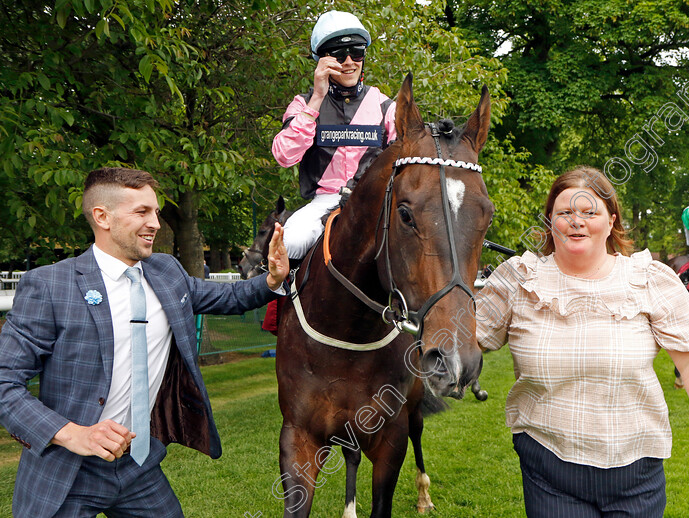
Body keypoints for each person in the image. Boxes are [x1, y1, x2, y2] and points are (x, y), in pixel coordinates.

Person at [0, 167, 289, 517]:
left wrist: (273, 278)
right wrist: (72, 434)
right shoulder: (50, 286)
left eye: (154, 211)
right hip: (67, 469)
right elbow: (5, 384)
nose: (155, 222)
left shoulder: (167, 272)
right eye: (141, 212)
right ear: (102, 217)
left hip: (139, 466)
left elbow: (229, 297)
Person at [475, 166, 689, 516]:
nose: (576, 221)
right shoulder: (518, 280)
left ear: (612, 220)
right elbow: (460, 341)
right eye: (565, 212)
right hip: (547, 468)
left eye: (589, 212)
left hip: (636, 475)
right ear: (549, 220)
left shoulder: (649, 280)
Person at [271, 9, 397, 262]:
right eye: (339, 55)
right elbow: (284, 156)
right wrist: (317, 98)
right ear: (322, 60)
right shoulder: (303, 103)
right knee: (289, 244)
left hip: (376, 204)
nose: (350, 61)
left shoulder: (387, 107)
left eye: (357, 52)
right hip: (324, 203)